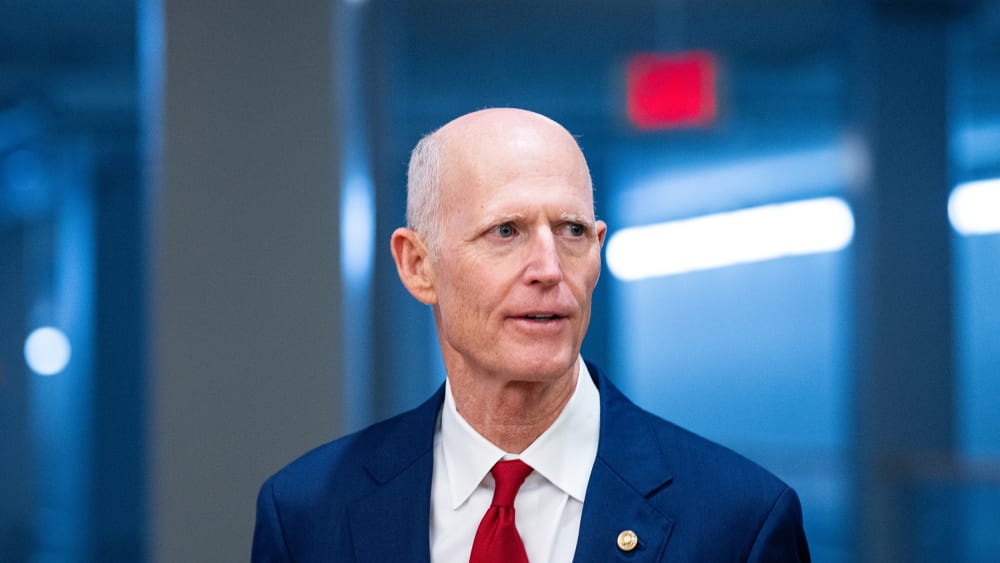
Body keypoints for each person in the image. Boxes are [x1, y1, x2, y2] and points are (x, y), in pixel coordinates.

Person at [251, 108, 811, 562]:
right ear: (418, 266)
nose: (548, 267)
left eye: (571, 231)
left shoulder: (740, 522)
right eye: (506, 231)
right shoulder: (307, 513)